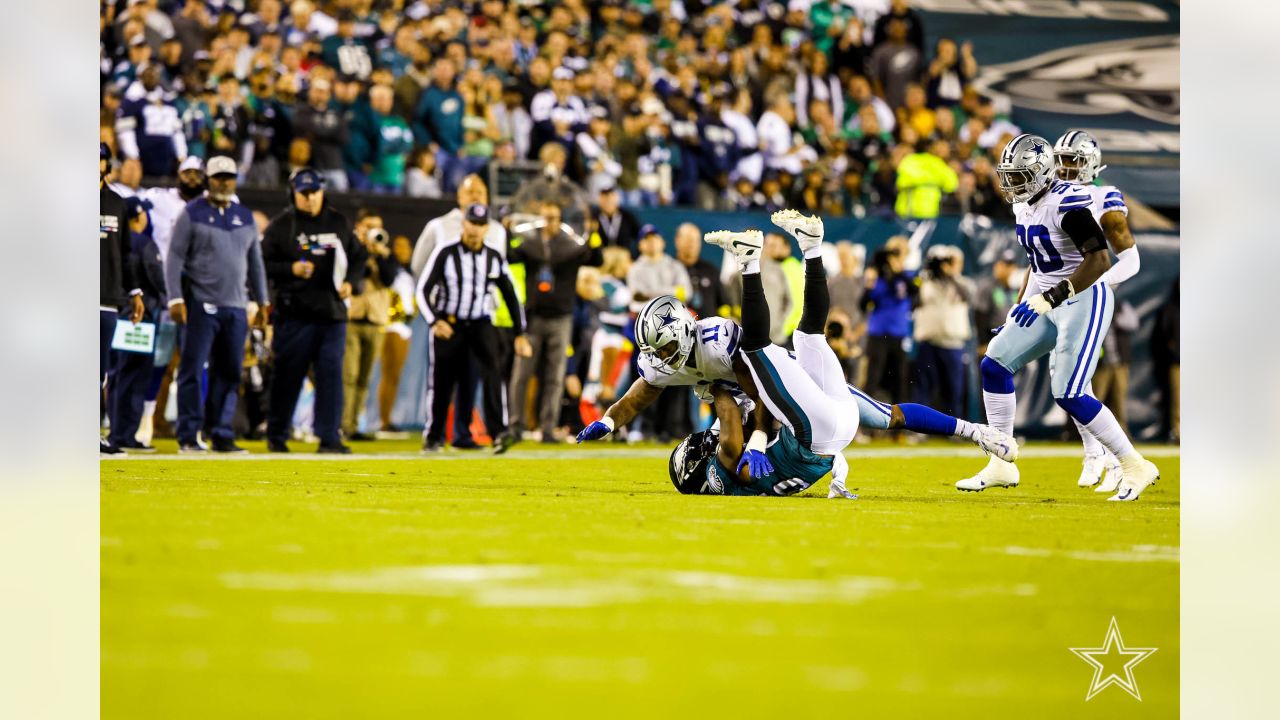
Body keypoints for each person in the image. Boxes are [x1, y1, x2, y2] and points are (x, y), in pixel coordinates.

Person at [578, 212, 1018, 464]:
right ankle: (977, 432)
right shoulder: (667, 357)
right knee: (838, 365)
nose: (663, 358)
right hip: (800, 389)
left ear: (682, 331)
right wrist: (610, 419)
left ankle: (752, 264)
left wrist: (753, 441)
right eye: (657, 352)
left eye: (667, 347)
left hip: (786, 391)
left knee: (763, 353)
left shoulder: (715, 339)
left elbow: (763, 396)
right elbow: (639, 394)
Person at [956, 134, 1160, 501]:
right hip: (1046, 300)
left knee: (1069, 392)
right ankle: (1001, 460)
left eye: (1018, 176)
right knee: (994, 364)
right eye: (1009, 175)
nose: (1010, 184)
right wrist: (1020, 305)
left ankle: (1133, 464)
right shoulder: (1024, 205)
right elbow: (1036, 266)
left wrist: (1053, 297)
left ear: (1040, 173)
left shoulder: (1067, 202)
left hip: (1083, 298)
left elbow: (1099, 260)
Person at [1052, 129, 1147, 493]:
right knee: (1066, 375)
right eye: (1060, 160)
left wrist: (1096, 286)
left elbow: (1132, 259)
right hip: (1062, 293)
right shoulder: (1052, 194)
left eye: (1071, 160)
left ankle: (1113, 457)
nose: (1064, 168)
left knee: (1072, 376)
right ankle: (1097, 451)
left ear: (1089, 163)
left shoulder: (1104, 196)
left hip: (1088, 296)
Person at [164, 156, 269, 453]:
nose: (224, 182)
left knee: (231, 372)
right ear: (209, 180)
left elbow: (255, 262)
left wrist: (262, 301)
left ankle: (221, 432)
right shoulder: (192, 213)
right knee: (192, 370)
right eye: (218, 177)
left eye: (229, 177)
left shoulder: (245, 216)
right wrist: (176, 297)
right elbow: (174, 257)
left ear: (235, 179)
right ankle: (188, 434)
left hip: (236, 305)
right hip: (201, 303)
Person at [260, 168, 366, 454]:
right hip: (295, 314)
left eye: (314, 192)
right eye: (304, 194)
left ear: (323, 191)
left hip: (331, 315)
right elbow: (261, 264)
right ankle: (277, 434)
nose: (310, 199)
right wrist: (289, 269)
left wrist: (350, 283)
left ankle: (329, 437)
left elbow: (359, 257)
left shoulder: (339, 222)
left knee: (331, 375)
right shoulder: (281, 226)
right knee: (287, 375)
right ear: (293, 194)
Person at [417, 204, 532, 453]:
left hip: (480, 322)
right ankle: (434, 435)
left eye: (481, 225)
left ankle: (498, 433)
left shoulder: (492, 256)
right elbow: (423, 290)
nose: (475, 229)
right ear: (463, 224)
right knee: (441, 382)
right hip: (450, 323)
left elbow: (510, 294)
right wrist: (434, 321)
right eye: (472, 223)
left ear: (487, 228)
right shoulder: (445, 253)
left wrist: (519, 333)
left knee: (492, 375)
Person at [410, 174, 508, 449]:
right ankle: (435, 435)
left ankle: (463, 434)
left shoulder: (497, 230)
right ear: (459, 197)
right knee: (441, 379)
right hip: (448, 316)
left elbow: (499, 276)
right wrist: (434, 314)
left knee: (472, 378)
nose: (476, 195)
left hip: (481, 316)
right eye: (470, 191)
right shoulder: (439, 227)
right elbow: (419, 267)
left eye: (481, 191)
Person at [508, 201, 603, 442]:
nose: (550, 222)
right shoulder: (531, 244)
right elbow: (510, 255)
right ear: (540, 219)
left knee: (555, 375)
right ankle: (515, 426)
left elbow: (596, 258)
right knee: (522, 374)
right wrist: (508, 231)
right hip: (534, 317)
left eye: (554, 217)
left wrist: (592, 233)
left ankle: (547, 428)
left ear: (560, 220)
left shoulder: (569, 245)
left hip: (561, 317)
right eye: (546, 217)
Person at [107, 197, 166, 453]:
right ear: (139, 217)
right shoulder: (143, 243)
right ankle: (126, 434)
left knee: (117, 375)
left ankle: (115, 430)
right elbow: (156, 278)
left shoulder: (115, 243)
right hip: (142, 318)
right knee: (136, 375)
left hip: (117, 313)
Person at [100, 144, 145, 455]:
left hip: (106, 299)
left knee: (99, 371)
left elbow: (126, 253)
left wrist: (135, 291)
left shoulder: (118, 203)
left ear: (107, 165)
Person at [342, 210, 399, 441]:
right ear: (359, 226)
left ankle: (354, 425)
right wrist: (363, 251)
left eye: (377, 226)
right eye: (369, 225)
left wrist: (381, 255)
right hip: (352, 318)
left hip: (376, 321)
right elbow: (354, 278)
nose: (374, 230)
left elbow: (389, 279)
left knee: (364, 377)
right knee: (349, 375)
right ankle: (343, 424)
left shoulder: (385, 253)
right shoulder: (350, 249)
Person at [912, 245, 973, 418]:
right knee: (923, 387)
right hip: (928, 341)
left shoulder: (962, 283)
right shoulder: (924, 283)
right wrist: (926, 275)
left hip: (953, 343)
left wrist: (950, 275)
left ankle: (955, 427)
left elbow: (968, 296)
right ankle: (918, 426)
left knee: (954, 388)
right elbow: (912, 302)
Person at [973, 249, 1020, 357]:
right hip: (992, 338)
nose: (1008, 270)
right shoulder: (988, 287)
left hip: (1012, 339)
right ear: (997, 266)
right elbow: (980, 314)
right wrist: (983, 342)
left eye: (1011, 266)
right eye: (1004, 265)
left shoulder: (1016, 289)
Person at [674, 222, 726, 319]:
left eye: (696, 240)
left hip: (709, 330)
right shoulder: (669, 269)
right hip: (677, 331)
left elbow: (722, 303)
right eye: (688, 239)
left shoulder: (710, 270)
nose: (692, 244)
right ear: (677, 240)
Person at [593, 184, 641, 256]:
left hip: (623, 259)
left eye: (610, 197)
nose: (607, 200)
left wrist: (635, 258)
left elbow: (640, 237)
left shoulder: (627, 216)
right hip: (600, 259)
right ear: (599, 200)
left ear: (616, 198)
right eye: (604, 197)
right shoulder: (592, 217)